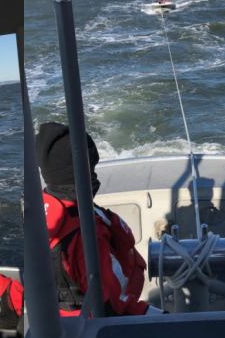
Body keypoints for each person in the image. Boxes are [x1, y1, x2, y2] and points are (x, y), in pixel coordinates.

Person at [37, 122, 152, 317]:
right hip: (108, 323)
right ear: (81, 171)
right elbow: (111, 309)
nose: (94, 174)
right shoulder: (89, 234)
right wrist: (161, 317)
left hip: (63, 321)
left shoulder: (39, 214)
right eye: (91, 168)